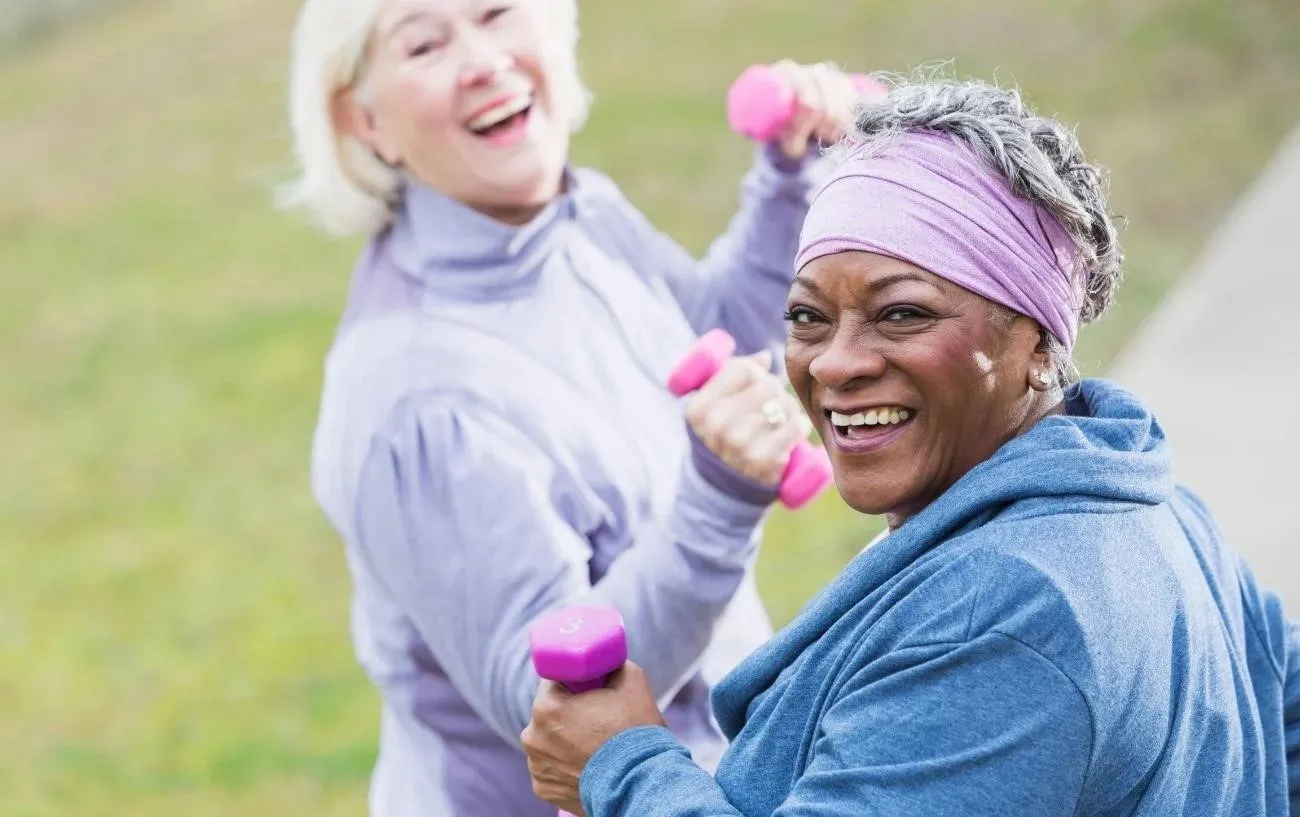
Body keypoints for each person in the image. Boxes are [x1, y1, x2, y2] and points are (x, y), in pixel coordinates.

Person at [520, 75, 1300, 816]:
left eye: (902, 315)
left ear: (1036, 341)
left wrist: (620, 766)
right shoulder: (1141, 494)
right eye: (807, 316)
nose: (835, 361)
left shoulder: (1006, 616)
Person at [283, 0, 866, 814]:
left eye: (497, 12)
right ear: (365, 120)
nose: (483, 59)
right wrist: (720, 500)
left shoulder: (575, 212)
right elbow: (559, 706)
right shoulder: (419, 401)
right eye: (424, 42)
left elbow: (721, 340)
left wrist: (790, 177)